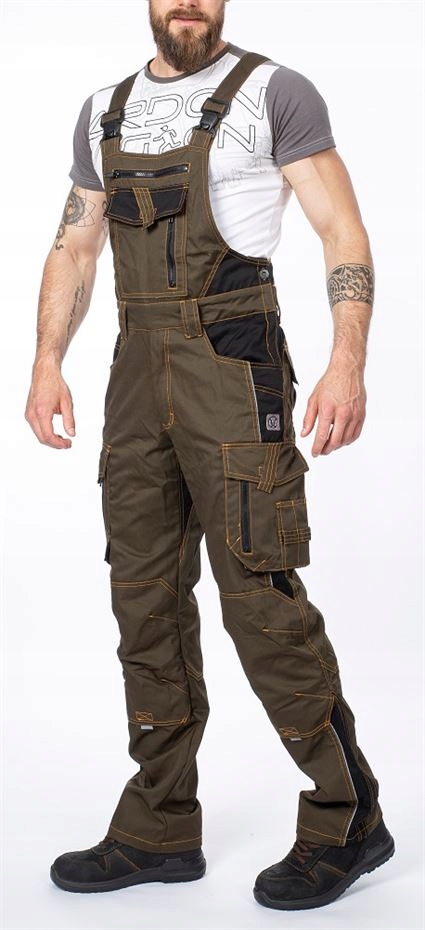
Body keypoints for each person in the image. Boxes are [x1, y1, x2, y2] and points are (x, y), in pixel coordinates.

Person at [24, 0, 395, 911]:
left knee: (259, 601)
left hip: (233, 364)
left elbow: (341, 231)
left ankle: (346, 818)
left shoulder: (275, 93)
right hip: (134, 373)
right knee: (143, 598)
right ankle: (158, 826)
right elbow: (76, 247)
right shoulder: (104, 110)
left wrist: (346, 362)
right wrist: (45, 362)